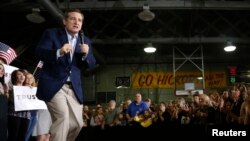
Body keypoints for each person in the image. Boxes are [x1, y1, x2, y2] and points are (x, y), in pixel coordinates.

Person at [35, 9, 96, 141]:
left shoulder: (85, 41)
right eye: (73, 19)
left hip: (73, 88)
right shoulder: (52, 34)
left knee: (77, 124)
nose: (76, 22)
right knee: (62, 117)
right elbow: (39, 52)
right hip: (54, 85)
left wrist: (86, 55)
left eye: (79, 20)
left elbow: (91, 64)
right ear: (65, 21)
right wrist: (59, 52)